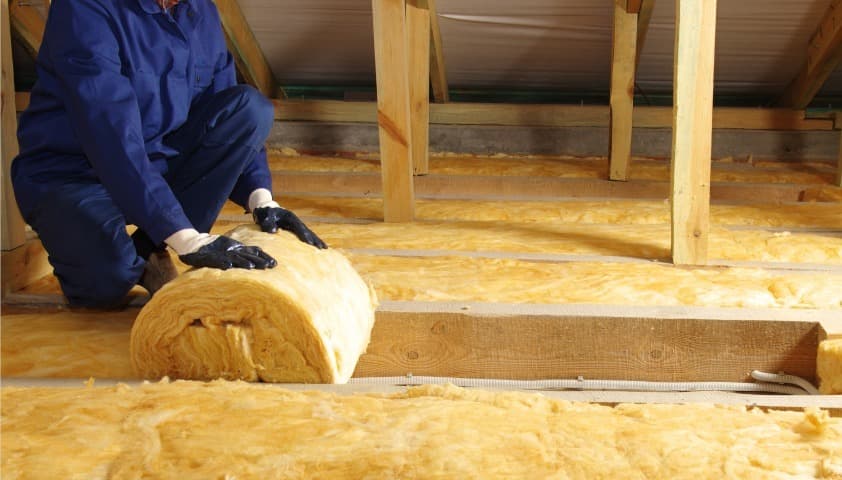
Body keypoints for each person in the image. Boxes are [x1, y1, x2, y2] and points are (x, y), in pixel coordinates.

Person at [11, 0, 325, 309]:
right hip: (73, 174)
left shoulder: (200, 10)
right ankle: (137, 251)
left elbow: (228, 109)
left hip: (154, 163)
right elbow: (111, 135)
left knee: (249, 109)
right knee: (107, 284)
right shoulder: (84, 8)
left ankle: (150, 246)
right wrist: (188, 239)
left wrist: (262, 199)